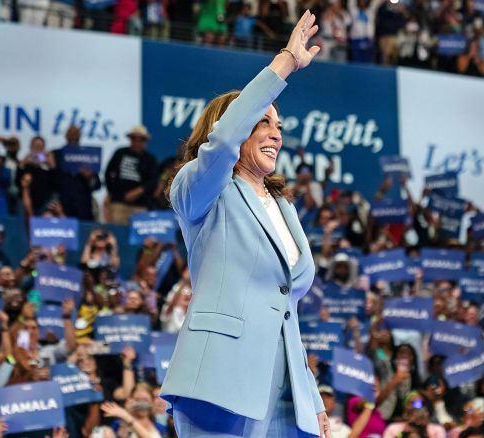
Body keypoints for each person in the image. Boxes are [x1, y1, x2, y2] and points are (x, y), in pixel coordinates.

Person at [160, 10, 328, 437]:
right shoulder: (201, 189)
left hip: (286, 394)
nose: (276, 134)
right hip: (221, 383)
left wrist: (314, 401)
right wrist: (284, 63)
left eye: (280, 126)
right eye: (263, 122)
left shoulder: (282, 206)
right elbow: (222, 143)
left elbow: (284, 312)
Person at [105, 125, 158, 225]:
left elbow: (153, 180)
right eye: (134, 139)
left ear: (145, 141)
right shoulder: (120, 153)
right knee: (118, 233)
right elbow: (108, 173)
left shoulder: (150, 159)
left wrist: (138, 191)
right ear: (130, 139)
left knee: (140, 238)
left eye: (140, 139)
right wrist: (112, 193)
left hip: (141, 205)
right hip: (118, 203)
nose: (137, 142)